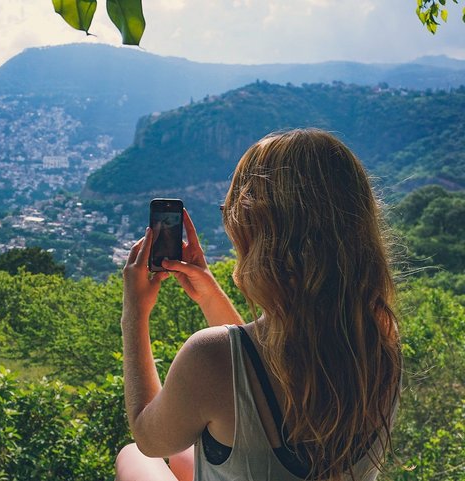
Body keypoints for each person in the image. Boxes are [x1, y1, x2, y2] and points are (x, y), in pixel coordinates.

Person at [116, 129, 401, 481]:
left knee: (133, 458)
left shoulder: (208, 356)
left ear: (255, 228)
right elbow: (254, 370)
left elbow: (149, 437)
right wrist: (208, 294)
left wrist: (134, 315)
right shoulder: (379, 339)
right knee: (187, 457)